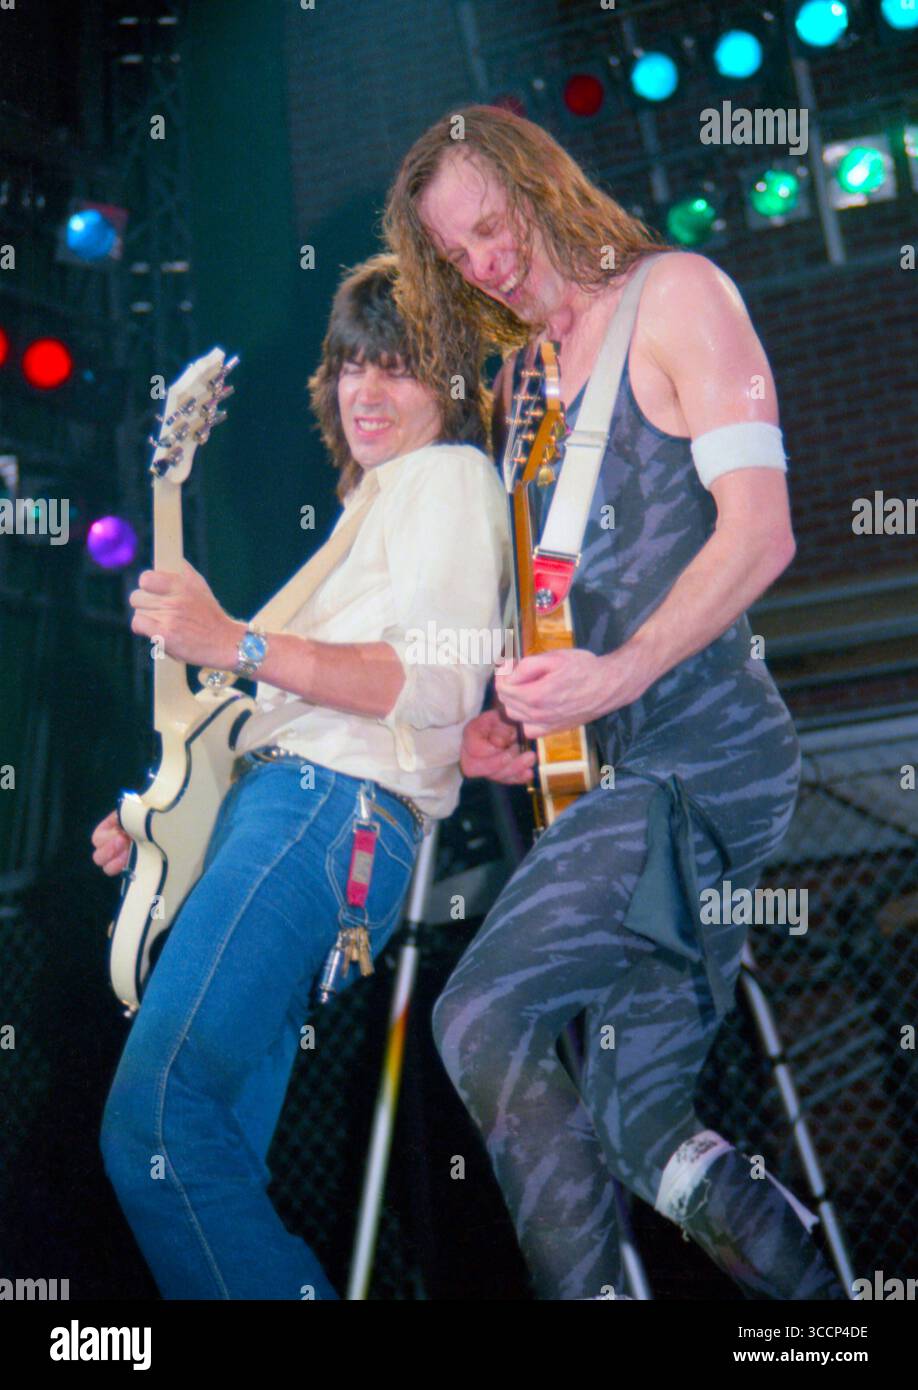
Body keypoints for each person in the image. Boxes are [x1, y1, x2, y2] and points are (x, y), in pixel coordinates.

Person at [384, 106, 847, 1301]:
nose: (485, 265)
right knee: (643, 1129)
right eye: (457, 252)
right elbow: (557, 607)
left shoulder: (681, 293)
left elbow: (763, 531)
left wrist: (620, 672)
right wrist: (514, 722)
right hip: (607, 778)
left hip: (704, 759)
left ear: (545, 184)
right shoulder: (520, 378)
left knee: (480, 1012)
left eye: (494, 228)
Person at [90, 252, 510, 1300]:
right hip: (308, 824)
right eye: (350, 365)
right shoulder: (376, 506)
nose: (365, 390)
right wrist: (159, 822)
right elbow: (259, 720)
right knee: (211, 1141)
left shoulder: (446, 476)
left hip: (327, 813)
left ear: (449, 380)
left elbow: (441, 681)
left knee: (158, 1121)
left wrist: (237, 639)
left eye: (398, 367)